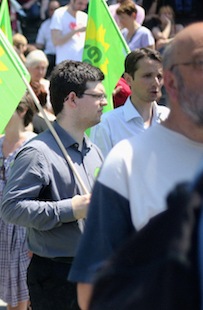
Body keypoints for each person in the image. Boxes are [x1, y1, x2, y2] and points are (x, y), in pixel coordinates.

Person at [68, 22, 203, 310]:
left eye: (156, 76)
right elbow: (91, 291)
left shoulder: (163, 116)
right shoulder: (121, 153)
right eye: (201, 64)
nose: (153, 83)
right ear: (174, 81)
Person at [1, 60, 106, 310]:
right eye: (97, 96)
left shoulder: (94, 151)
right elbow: (11, 208)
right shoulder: (37, 152)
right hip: (57, 275)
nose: (105, 102)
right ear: (72, 99)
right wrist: (69, 208)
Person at [0, 93, 37, 310]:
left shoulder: (33, 144)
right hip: (1, 226)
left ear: (22, 112)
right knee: (10, 298)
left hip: (25, 227)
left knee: (24, 296)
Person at [90, 48, 168, 156]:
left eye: (159, 76)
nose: (155, 83)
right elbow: (98, 170)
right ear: (128, 79)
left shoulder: (170, 118)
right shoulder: (107, 124)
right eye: (147, 76)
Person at [50, 0, 88, 64]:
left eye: (85, 4)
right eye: (80, 3)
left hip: (81, 64)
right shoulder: (59, 14)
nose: (83, 7)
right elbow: (55, 41)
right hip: (64, 63)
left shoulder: (84, 16)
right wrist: (75, 30)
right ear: (72, 1)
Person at [36, 1, 61, 77]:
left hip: (63, 55)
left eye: (56, 9)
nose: (54, 12)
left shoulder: (66, 22)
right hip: (49, 56)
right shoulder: (45, 25)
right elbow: (39, 44)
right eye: (51, 9)